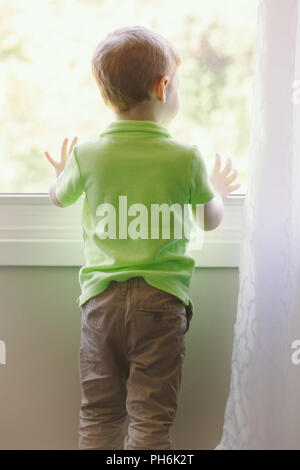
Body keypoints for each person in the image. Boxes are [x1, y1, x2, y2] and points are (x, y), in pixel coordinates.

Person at [45, 25, 240, 450]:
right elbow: (209, 220)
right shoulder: (186, 157)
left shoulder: (88, 155)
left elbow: (58, 198)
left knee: (98, 414)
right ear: (163, 86)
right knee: (151, 421)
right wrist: (219, 192)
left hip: (100, 304)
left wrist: (62, 174)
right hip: (161, 305)